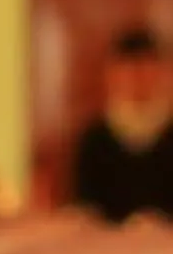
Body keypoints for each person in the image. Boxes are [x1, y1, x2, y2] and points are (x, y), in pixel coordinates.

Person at [71, 25, 173, 224]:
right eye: (130, 72)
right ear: (113, 76)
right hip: (107, 248)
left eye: (146, 71)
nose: (138, 81)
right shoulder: (95, 138)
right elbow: (85, 208)